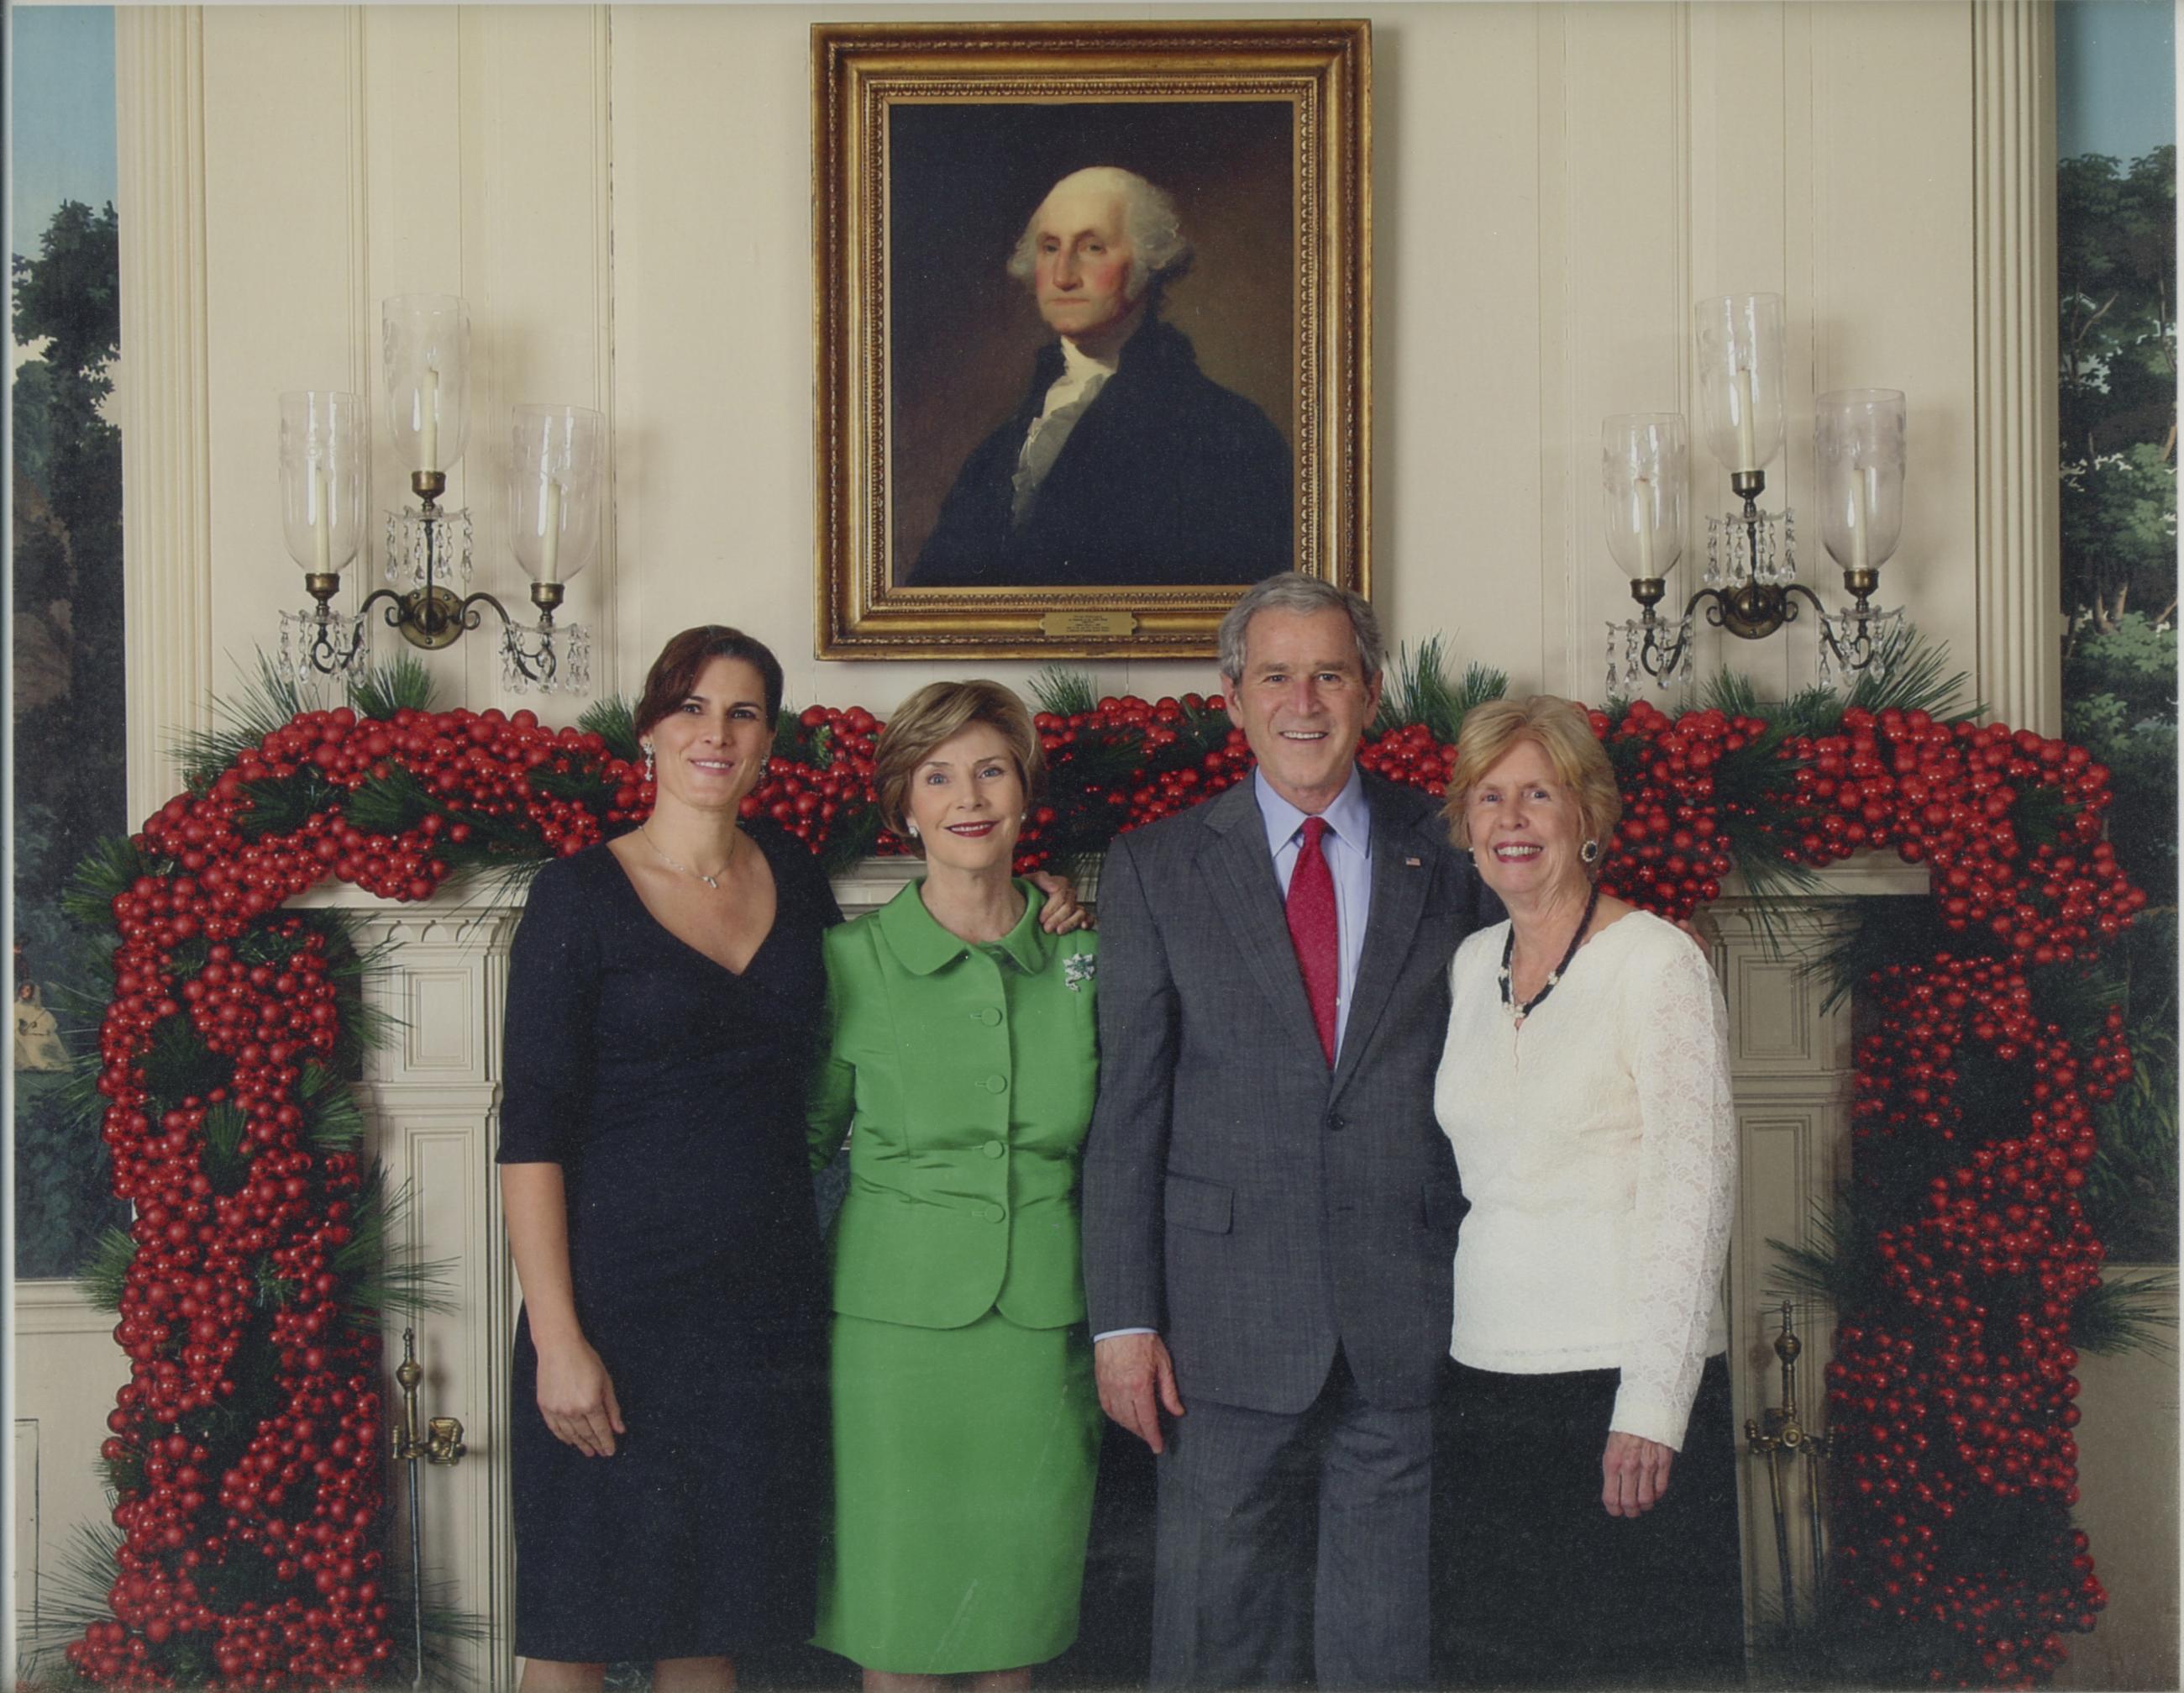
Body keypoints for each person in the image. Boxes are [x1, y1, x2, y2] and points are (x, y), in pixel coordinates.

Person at [496, 626, 1089, 1688]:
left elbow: (867, 1029)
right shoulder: (575, 896)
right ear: (647, 730)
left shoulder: (795, 880)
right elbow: (532, 1131)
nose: (714, 732)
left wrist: (1044, 896)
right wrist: (556, 1336)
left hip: (756, 1311)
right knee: (576, 1627)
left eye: (741, 712)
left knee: (709, 1624)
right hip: (613, 1305)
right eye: (690, 707)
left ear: (768, 740)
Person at [1079, 572, 1501, 1689]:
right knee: (1216, 1642)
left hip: (1402, 1306)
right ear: (1232, 696)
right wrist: (1123, 1320)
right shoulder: (1157, 865)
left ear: (1371, 690)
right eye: (1275, 675)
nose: (1302, 701)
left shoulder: (1454, 848)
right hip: (1218, 1323)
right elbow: (1128, 1109)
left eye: (1328, 674)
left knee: (1384, 1648)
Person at [1430, 695, 1743, 1688]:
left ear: (1588, 815)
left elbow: (1694, 1189)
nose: (1510, 819)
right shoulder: (1469, 963)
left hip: (1617, 1384)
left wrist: (1650, 1403)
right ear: (1464, 823)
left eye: (1538, 793)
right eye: (1488, 796)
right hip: (1484, 1376)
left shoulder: (1656, 961)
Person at [808, 681, 1102, 1690]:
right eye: (936, 776)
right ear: (904, 805)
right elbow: (800, 1144)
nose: (967, 798)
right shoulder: (848, 962)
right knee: (900, 1630)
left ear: (1024, 792)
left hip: (1040, 1335)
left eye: (990, 770)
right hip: (891, 1344)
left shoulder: (1085, 956)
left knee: (1011, 1626)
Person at [906, 166, 1292, 590]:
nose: (1063, 276)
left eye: (1092, 247)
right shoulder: (999, 450)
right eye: (1050, 248)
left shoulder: (1226, 432)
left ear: (1149, 261)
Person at [15, 980, 70, 1071]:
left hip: (37, 1034)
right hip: (22, 1035)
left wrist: (46, 1029)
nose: (23, 991)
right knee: (28, 1042)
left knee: (50, 1038)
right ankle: (34, 1065)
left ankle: (54, 1065)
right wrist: (21, 1028)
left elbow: (50, 1022)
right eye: (22, 989)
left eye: (28, 990)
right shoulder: (15, 1007)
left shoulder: (39, 1010)